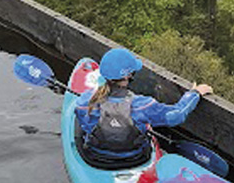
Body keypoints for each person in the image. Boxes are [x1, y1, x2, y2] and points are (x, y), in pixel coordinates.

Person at [74, 45, 213, 166]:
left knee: (85, 126)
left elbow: (83, 122)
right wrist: (195, 93)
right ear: (128, 75)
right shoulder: (144, 105)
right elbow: (177, 115)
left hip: (97, 156)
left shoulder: (84, 102)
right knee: (144, 123)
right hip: (135, 157)